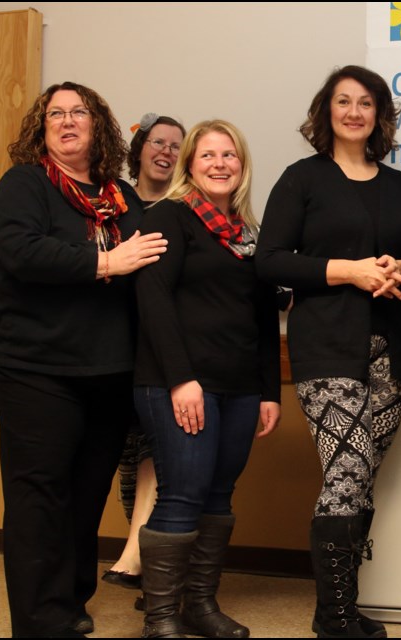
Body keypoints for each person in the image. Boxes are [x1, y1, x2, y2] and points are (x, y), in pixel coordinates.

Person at [0, 81, 167, 637]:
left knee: (87, 496)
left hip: (108, 371)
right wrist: (108, 262)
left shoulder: (121, 197)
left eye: (78, 113)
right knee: (40, 494)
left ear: (97, 127)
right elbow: (22, 250)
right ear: (42, 128)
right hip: (34, 367)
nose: (66, 121)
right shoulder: (24, 184)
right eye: (55, 114)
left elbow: (154, 265)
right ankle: (39, 621)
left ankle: (68, 604)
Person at [256, 65, 401, 638]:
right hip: (326, 345)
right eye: (343, 101)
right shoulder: (302, 179)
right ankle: (335, 618)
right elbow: (270, 260)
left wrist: (400, 267)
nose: (354, 111)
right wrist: (347, 271)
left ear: (380, 115)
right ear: (326, 111)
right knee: (346, 470)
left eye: (366, 103)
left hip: (391, 350)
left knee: (358, 476)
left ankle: (341, 608)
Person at [133, 119, 281, 639]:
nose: (220, 164)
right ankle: (161, 618)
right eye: (208, 156)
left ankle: (200, 605)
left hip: (240, 388)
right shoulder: (169, 218)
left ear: (241, 165)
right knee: (184, 491)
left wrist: (267, 392)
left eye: (230, 156)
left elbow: (263, 319)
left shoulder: (248, 234)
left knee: (219, 494)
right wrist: (181, 380)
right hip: (178, 383)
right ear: (189, 164)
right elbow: (151, 302)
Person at [103, 112, 186, 600]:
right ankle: (145, 563)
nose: (167, 153)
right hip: (115, 346)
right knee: (131, 464)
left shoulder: (187, 207)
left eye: (177, 146)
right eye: (159, 142)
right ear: (140, 148)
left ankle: (142, 560)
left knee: (162, 454)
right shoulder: (112, 201)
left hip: (165, 349)